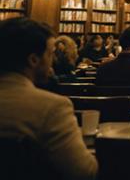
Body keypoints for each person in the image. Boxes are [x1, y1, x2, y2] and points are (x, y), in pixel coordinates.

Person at [0, 18, 98, 180]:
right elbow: (84, 172)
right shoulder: (52, 108)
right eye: (51, 53)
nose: (54, 60)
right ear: (33, 60)